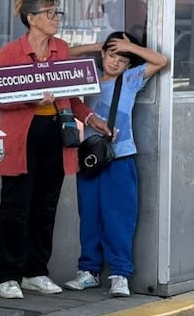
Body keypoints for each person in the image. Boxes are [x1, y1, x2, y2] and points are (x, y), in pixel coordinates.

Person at [0, 0, 110, 300]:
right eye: (50, 13)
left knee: (45, 205)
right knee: (16, 207)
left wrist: (91, 118)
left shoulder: (62, 49)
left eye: (58, 13)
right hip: (22, 136)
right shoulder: (11, 52)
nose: (56, 18)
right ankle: (8, 276)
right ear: (31, 19)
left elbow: (71, 95)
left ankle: (35, 272)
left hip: (56, 133)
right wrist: (32, 97)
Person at [64, 32, 168, 297]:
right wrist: (98, 45)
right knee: (89, 215)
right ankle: (88, 270)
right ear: (102, 55)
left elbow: (160, 61)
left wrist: (129, 47)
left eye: (123, 60)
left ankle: (120, 274)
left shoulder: (129, 80)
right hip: (90, 159)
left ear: (129, 65)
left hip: (120, 158)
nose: (115, 62)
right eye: (112, 55)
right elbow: (63, 56)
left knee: (119, 217)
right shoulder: (88, 79)